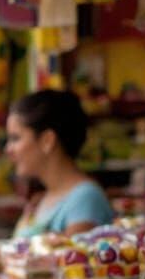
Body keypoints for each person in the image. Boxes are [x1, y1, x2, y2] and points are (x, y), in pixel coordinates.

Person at [7, 89, 114, 235]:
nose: (8, 149)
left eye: (15, 138)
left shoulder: (85, 199)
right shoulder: (42, 200)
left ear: (47, 141)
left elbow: (74, 257)